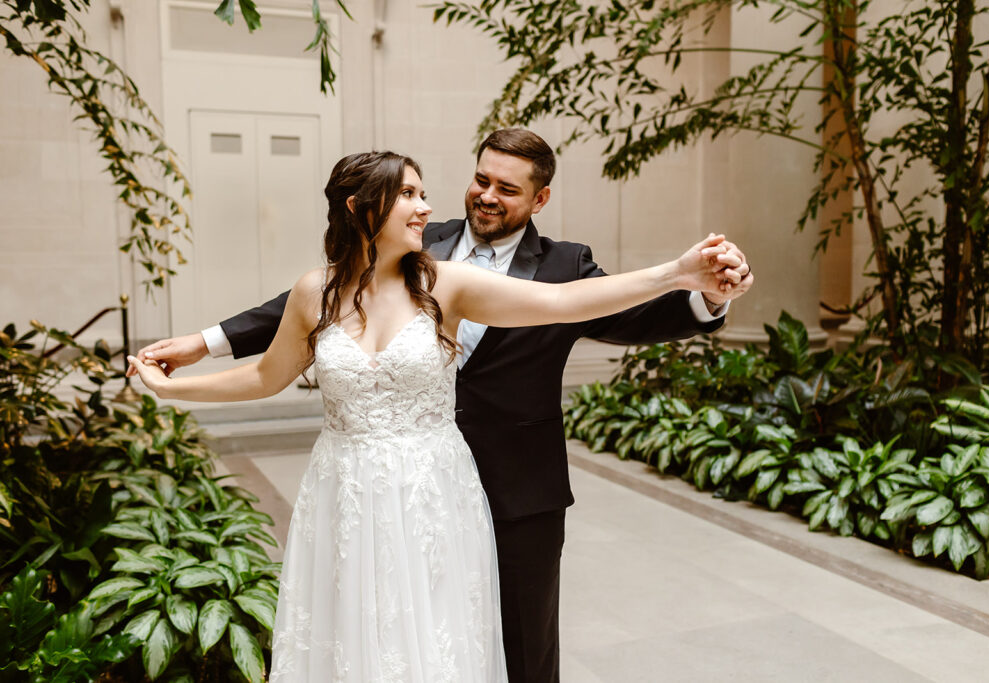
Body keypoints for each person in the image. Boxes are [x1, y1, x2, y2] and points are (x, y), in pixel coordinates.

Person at [132, 131, 754, 682]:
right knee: (354, 632)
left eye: (505, 187)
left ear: (539, 198)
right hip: (349, 492)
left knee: (495, 643)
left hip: (476, 485)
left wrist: (683, 276)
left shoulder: (482, 276)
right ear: (362, 209)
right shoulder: (376, 264)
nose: (467, 198)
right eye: (475, 180)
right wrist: (188, 365)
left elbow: (580, 304)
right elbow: (277, 355)